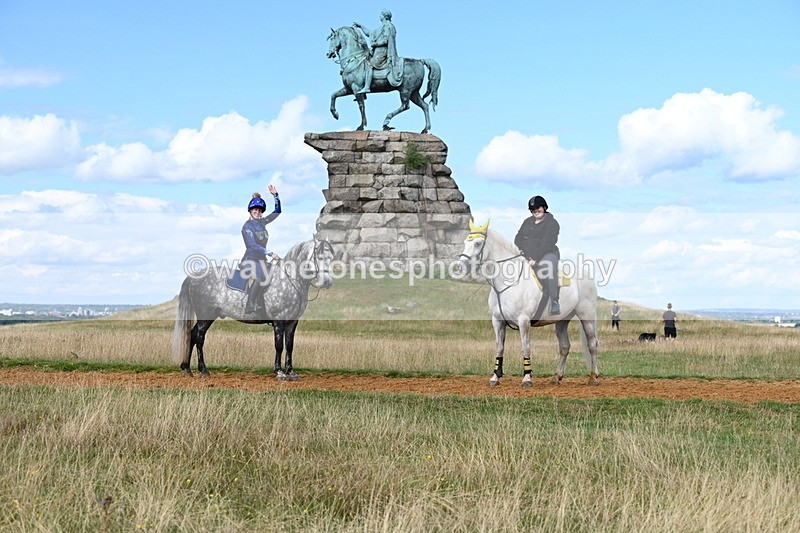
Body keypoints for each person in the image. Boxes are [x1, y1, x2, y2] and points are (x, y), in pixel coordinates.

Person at [515, 195, 561, 315]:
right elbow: (518, 237)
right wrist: (519, 249)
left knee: (548, 267)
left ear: (544, 207)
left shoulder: (552, 223)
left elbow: (547, 243)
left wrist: (535, 259)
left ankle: (554, 301)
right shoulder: (527, 222)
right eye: (533, 209)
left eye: (538, 208)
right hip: (527, 254)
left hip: (547, 253)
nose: (536, 211)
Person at [241, 185, 281, 315]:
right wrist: (270, 253)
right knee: (259, 278)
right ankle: (250, 305)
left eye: (259, 210)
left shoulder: (263, 222)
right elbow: (252, 245)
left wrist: (276, 196)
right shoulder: (247, 226)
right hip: (250, 260)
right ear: (250, 211)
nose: (257, 212)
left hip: (262, 260)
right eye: (254, 210)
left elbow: (277, 211)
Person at [353, 9, 403, 94]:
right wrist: (361, 26)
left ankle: (367, 87)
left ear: (384, 16)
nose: (379, 16)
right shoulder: (381, 28)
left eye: (380, 14)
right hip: (377, 52)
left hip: (383, 53)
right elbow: (370, 33)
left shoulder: (389, 26)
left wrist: (375, 43)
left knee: (369, 64)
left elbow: (386, 40)